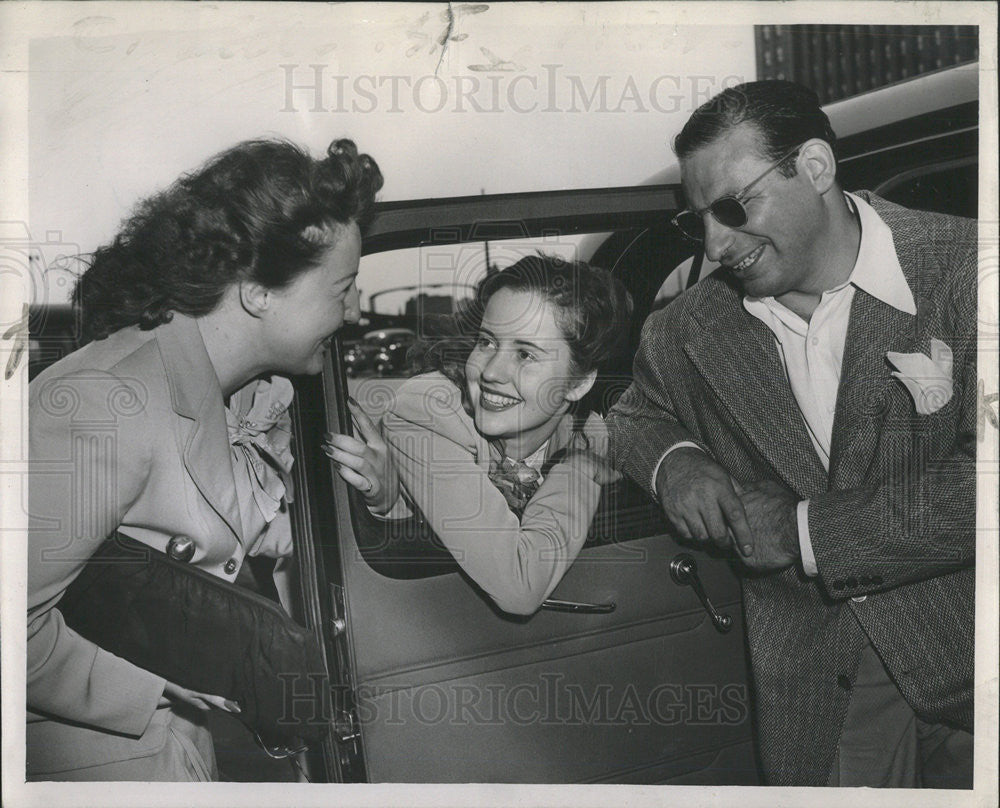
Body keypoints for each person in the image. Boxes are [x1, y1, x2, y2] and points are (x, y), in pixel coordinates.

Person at [606, 80, 975, 788]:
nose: (715, 245)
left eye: (733, 207)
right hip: (824, 689)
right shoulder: (685, 330)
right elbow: (631, 415)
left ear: (815, 167)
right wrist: (675, 464)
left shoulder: (970, 269)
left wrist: (804, 534)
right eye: (698, 223)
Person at [27, 137, 382, 780]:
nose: (355, 311)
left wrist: (380, 493)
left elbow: (237, 540)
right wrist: (155, 687)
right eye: (344, 287)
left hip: (182, 748)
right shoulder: (106, 400)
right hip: (108, 761)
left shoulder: (236, 391)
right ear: (259, 293)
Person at [323, 255, 632, 615]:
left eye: (525, 355)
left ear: (578, 383)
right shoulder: (427, 412)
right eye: (486, 342)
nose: (491, 372)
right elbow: (519, 586)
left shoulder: (587, 430)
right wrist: (580, 468)